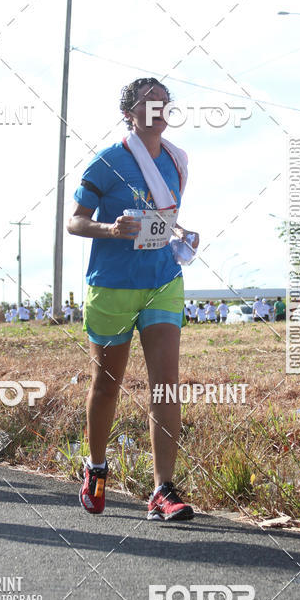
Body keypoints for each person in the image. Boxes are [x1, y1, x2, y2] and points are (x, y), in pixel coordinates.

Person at [67, 77, 198, 521]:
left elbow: (164, 220)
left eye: (164, 102)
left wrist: (182, 235)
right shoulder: (107, 162)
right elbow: (75, 221)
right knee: (108, 384)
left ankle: (163, 490)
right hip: (113, 285)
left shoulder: (176, 161)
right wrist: (109, 229)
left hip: (162, 279)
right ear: (129, 114)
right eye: (148, 102)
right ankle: (96, 467)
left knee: (166, 382)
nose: (159, 108)